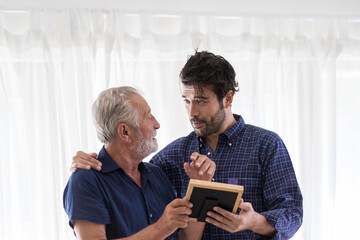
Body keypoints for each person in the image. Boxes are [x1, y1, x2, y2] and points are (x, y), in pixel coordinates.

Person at [71, 51, 303, 239]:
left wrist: (255, 222)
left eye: (201, 101)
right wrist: (84, 162)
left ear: (228, 98)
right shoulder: (171, 157)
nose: (192, 111)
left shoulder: (266, 145)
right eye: (186, 100)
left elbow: (292, 214)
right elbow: (125, 166)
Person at [63, 86, 208, 240]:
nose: (157, 124)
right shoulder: (85, 181)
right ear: (125, 131)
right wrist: (161, 228)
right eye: (148, 116)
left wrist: (201, 187)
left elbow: (186, 238)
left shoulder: (157, 174)